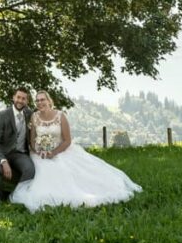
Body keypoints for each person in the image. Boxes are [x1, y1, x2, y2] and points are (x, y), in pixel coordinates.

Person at [10, 90, 142, 211]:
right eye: (37, 100)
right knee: (43, 170)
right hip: (41, 154)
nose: (40, 102)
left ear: (49, 101)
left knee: (72, 171)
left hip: (61, 151)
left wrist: (53, 153)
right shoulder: (34, 117)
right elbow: (32, 140)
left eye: (42, 99)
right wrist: (39, 151)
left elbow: (67, 141)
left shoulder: (60, 116)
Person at [0, 87, 35, 203]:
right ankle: (0, 198)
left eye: (23, 98)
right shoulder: (2, 115)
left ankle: (17, 197)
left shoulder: (30, 114)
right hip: (1, 152)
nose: (20, 100)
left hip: (19, 153)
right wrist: (3, 161)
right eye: (18, 97)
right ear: (13, 97)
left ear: (27, 101)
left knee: (30, 169)